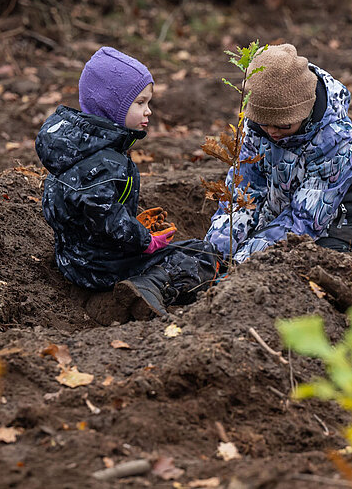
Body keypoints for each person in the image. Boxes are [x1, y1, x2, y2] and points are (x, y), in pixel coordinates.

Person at [36, 46, 221, 324]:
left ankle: (106, 298)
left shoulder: (76, 148)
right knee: (201, 254)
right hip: (101, 267)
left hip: (73, 260)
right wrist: (144, 240)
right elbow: (104, 215)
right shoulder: (105, 161)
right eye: (139, 103)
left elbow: (82, 207)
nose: (148, 111)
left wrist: (130, 223)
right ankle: (147, 287)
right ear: (112, 105)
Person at [205, 43, 352, 263]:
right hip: (283, 212)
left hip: (340, 226)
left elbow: (305, 222)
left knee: (309, 263)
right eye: (264, 123)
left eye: (283, 125)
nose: (271, 131)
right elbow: (242, 198)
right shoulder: (255, 129)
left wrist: (241, 264)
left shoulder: (338, 141)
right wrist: (213, 254)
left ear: (305, 110)